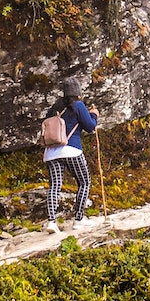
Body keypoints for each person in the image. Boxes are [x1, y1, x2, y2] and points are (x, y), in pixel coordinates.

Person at [42, 79, 99, 233]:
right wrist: (94, 115)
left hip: (51, 152)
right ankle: (79, 219)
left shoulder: (55, 108)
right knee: (84, 182)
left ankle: (51, 222)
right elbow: (90, 127)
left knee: (54, 185)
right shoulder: (78, 106)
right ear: (78, 93)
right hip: (71, 149)